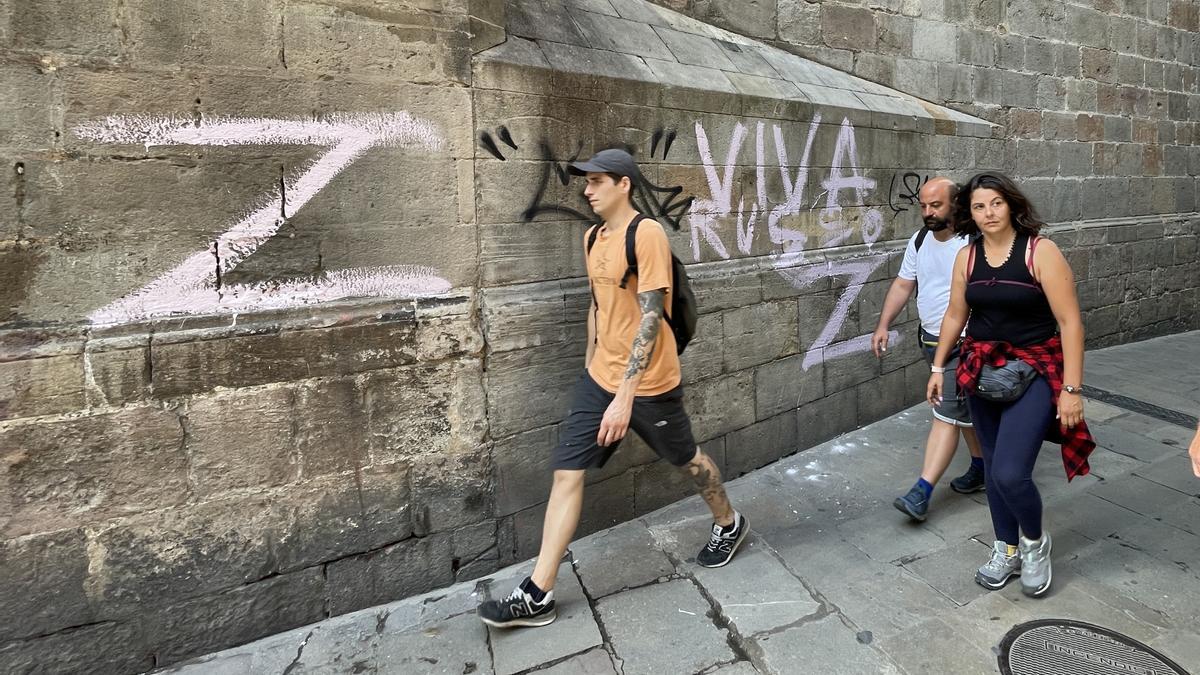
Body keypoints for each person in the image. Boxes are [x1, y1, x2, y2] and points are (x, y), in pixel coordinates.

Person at [477, 149, 747, 628]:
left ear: (623, 184)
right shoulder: (592, 237)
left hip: (650, 385)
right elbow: (599, 305)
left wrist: (624, 396)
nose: (587, 189)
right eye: (586, 182)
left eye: (597, 180)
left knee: (688, 460)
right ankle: (539, 592)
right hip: (601, 378)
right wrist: (591, 366)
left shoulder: (647, 234)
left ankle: (729, 523)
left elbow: (649, 316)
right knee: (567, 472)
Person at [927, 172, 1095, 598]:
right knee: (996, 472)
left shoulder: (1042, 252)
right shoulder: (967, 257)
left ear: (1011, 204)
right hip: (979, 373)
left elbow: (1070, 321)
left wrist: (1071, 390)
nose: (989, 214)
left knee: (1010, 472)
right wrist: (937, 366)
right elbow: (954, 314)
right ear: (971, 213)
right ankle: (1006, 548)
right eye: (980, 207)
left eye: (996, 203)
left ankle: (1035, 542)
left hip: (1035, 370)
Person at [872, 177, 986, 522]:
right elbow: (905, 283)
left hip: (963, 344)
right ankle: (982, 467)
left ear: (955, 204)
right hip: (930, 340)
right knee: (961, 411)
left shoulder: (972, 243)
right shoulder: (920, 240)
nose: (927, 212)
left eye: (935, 205)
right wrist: (883, 324)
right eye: (923, 205)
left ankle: (921, 491)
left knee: (945, 414)